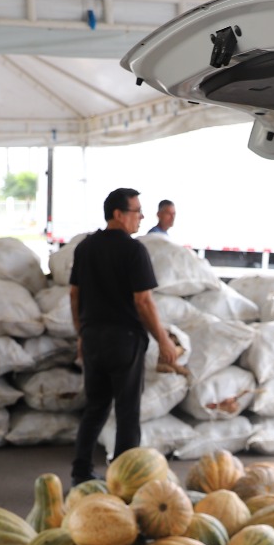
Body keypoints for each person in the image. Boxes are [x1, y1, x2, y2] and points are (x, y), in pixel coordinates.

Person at [69, 187, 185, 486]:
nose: (142, 217)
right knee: (127, 412)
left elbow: (74, 294)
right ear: (118, 214)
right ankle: (123, 481)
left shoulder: (85, 247)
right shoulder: (134, 250)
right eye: (136, 211)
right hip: (124, 340)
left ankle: (80, 472)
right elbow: (143, 301)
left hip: (93, 337)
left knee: (95, 407)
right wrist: (164, 341)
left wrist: (81, 332)